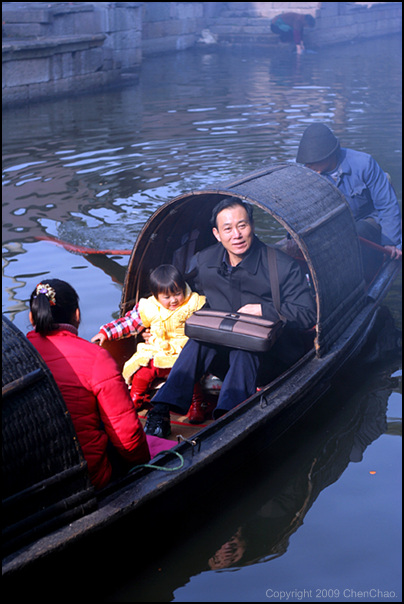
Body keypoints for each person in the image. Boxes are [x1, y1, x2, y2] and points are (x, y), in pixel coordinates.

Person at [144, 197, 317, 438]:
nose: (236, 235)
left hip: (271, 355)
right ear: (216, 234)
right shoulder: (205, 262)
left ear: (252, 226)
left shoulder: (282, 267)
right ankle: (160, 410)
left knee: (245, 348)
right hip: (223, 354)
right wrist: (151, 324)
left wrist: (264, 310)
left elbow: (308, 312)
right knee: (198, 340)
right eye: (228, 229)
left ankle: (228, 417)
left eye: (242, 225)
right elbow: (183, 295)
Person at [27, 279, 171, 491]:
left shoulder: (17, 356)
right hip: (87, 477)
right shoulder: (95, 358)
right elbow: (128, 437)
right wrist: (142, 467)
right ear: (77, 315)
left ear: (32, 317)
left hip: (31, 477)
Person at [91, 264, 210, 423]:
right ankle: (135, 398)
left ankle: (197, 404)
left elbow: (207, 323)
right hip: (158, 350)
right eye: (166, 297)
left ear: (183, 289)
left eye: (178, 294)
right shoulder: (149, 307)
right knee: (142, 372)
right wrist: (106, 332)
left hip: (183, 352)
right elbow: (129, 323)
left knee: (191, 376)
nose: (173, 300)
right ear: (156, 296)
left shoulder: (193, 304)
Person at [296, 123, 402, 279]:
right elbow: (299, 208)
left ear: (329, 155)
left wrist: (391, 242)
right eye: (306, 163)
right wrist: (292, 237)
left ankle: (360, 280)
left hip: (369, 222)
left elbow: (387, 205)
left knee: (356, 233)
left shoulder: (364, 164)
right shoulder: (310, 175)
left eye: (312, 162)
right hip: (336, 225)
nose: (308, 167)